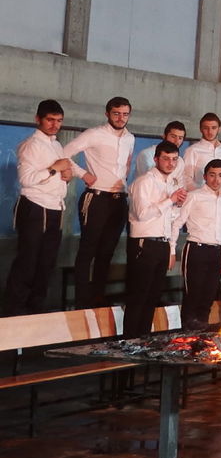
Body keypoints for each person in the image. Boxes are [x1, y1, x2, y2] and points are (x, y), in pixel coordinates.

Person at [64, 96, 136, 309]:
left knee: (107, 251)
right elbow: (63, 153)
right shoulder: (94, 134)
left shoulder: (130, 138)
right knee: (88, 250)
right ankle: (81, 301)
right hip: (95, 198)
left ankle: (97, 297)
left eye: (125, 114)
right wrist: (82, 173)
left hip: (118, 199)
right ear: (107, 113)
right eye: (116, 113)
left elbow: (127, 164)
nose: (121, 118)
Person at [4, 100, 74, 315]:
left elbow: (55, 175)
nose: (55, 125)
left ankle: (36, 313)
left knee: (46, 264)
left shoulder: (56, 144)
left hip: (55, 208)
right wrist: (54, 168)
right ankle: (15, 313)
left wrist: (66, 176)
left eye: (59, 121)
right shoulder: (31, 145)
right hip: (35, 206)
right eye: (50, 120)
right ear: (38, 119)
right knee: (28, 263)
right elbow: (26, 179)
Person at [124, 140, 187, 336]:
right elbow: (142, 213)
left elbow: (170, 218)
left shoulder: (170, 183)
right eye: (166, 159)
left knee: (152, 297)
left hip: (161, 243)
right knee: (138, 296)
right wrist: (170, 201)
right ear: (156, 159)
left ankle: (142, 340)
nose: (170, 164)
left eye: (174, 160)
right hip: (145, 242)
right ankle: (129, 342)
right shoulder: (145, 181)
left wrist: (170, 248)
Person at [179, 159, 221, 330]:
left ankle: (201, 335)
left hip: (216, 252)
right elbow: (178, 222)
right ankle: (186, 334)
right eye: (212, 175)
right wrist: (171, 249)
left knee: (208, 296)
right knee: (193, 294)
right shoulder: (194, 196)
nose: (216, 180)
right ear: (205, 176)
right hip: (196, 249)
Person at [182, 113, 221, 192]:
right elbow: (186, 178)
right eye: (206, 128)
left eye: (213, 128)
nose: (210, 132)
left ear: (219, 129)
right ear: (200, 129)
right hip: (199, 198)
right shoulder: (192, 150)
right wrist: (200, 194)